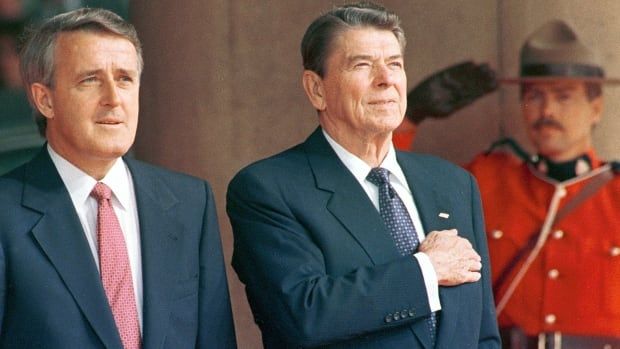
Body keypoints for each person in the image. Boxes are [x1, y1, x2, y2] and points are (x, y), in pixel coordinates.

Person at [227, 2, 500, 348]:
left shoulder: (453, 184)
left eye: (394, 64)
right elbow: (304, 315)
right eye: (362, 65)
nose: (386, 79)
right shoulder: (268, 188)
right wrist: (425, 272)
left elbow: (483, 335)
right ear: (316, 89)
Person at [0, 8, 236, 348]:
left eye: (125, 78)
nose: (113, 99)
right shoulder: (6, 212)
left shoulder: (189, 202)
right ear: (45, 99)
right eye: (90, 80)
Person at [403, 20, 620, 348]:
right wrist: (409, 117)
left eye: (563, 97)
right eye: (534, 96)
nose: (546, 110)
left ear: (596, 106)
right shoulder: (487, 180)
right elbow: (393, 189)